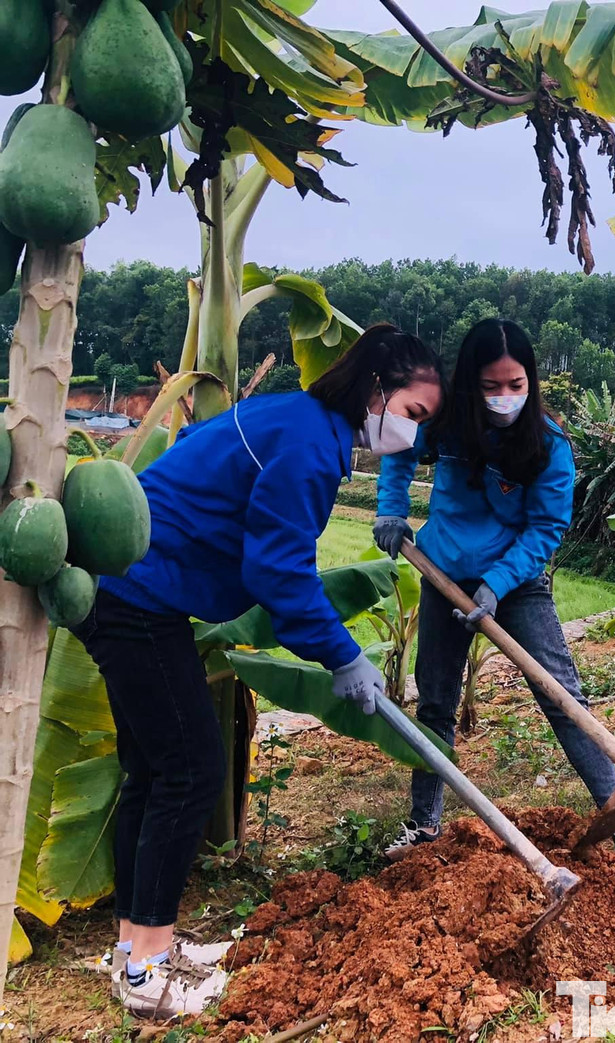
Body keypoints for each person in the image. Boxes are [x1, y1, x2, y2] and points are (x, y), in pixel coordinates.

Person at [73, 325, 445, 1019]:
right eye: (414, 414)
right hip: (136, 592)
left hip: (127, 584)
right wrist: (342, 653)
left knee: (154, 771)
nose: (412, 436)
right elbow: (276, 570)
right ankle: (147, 972)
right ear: (376, 389)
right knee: (189, 771)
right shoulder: (310, 445)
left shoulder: (295, 417)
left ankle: (134, 948)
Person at [373, 319, 615, 861]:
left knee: (559, 693)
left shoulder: (548, 443)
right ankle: (423, 826)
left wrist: (495, 585)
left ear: (531, 380)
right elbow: (399, 446)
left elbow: (544, 529)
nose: (504, 397)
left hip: (515, 581)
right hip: (443, 572)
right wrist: (391, 509)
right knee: (436, 702)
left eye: (515, 384)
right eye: (491, 386)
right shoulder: (445, 424)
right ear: (469, 384)